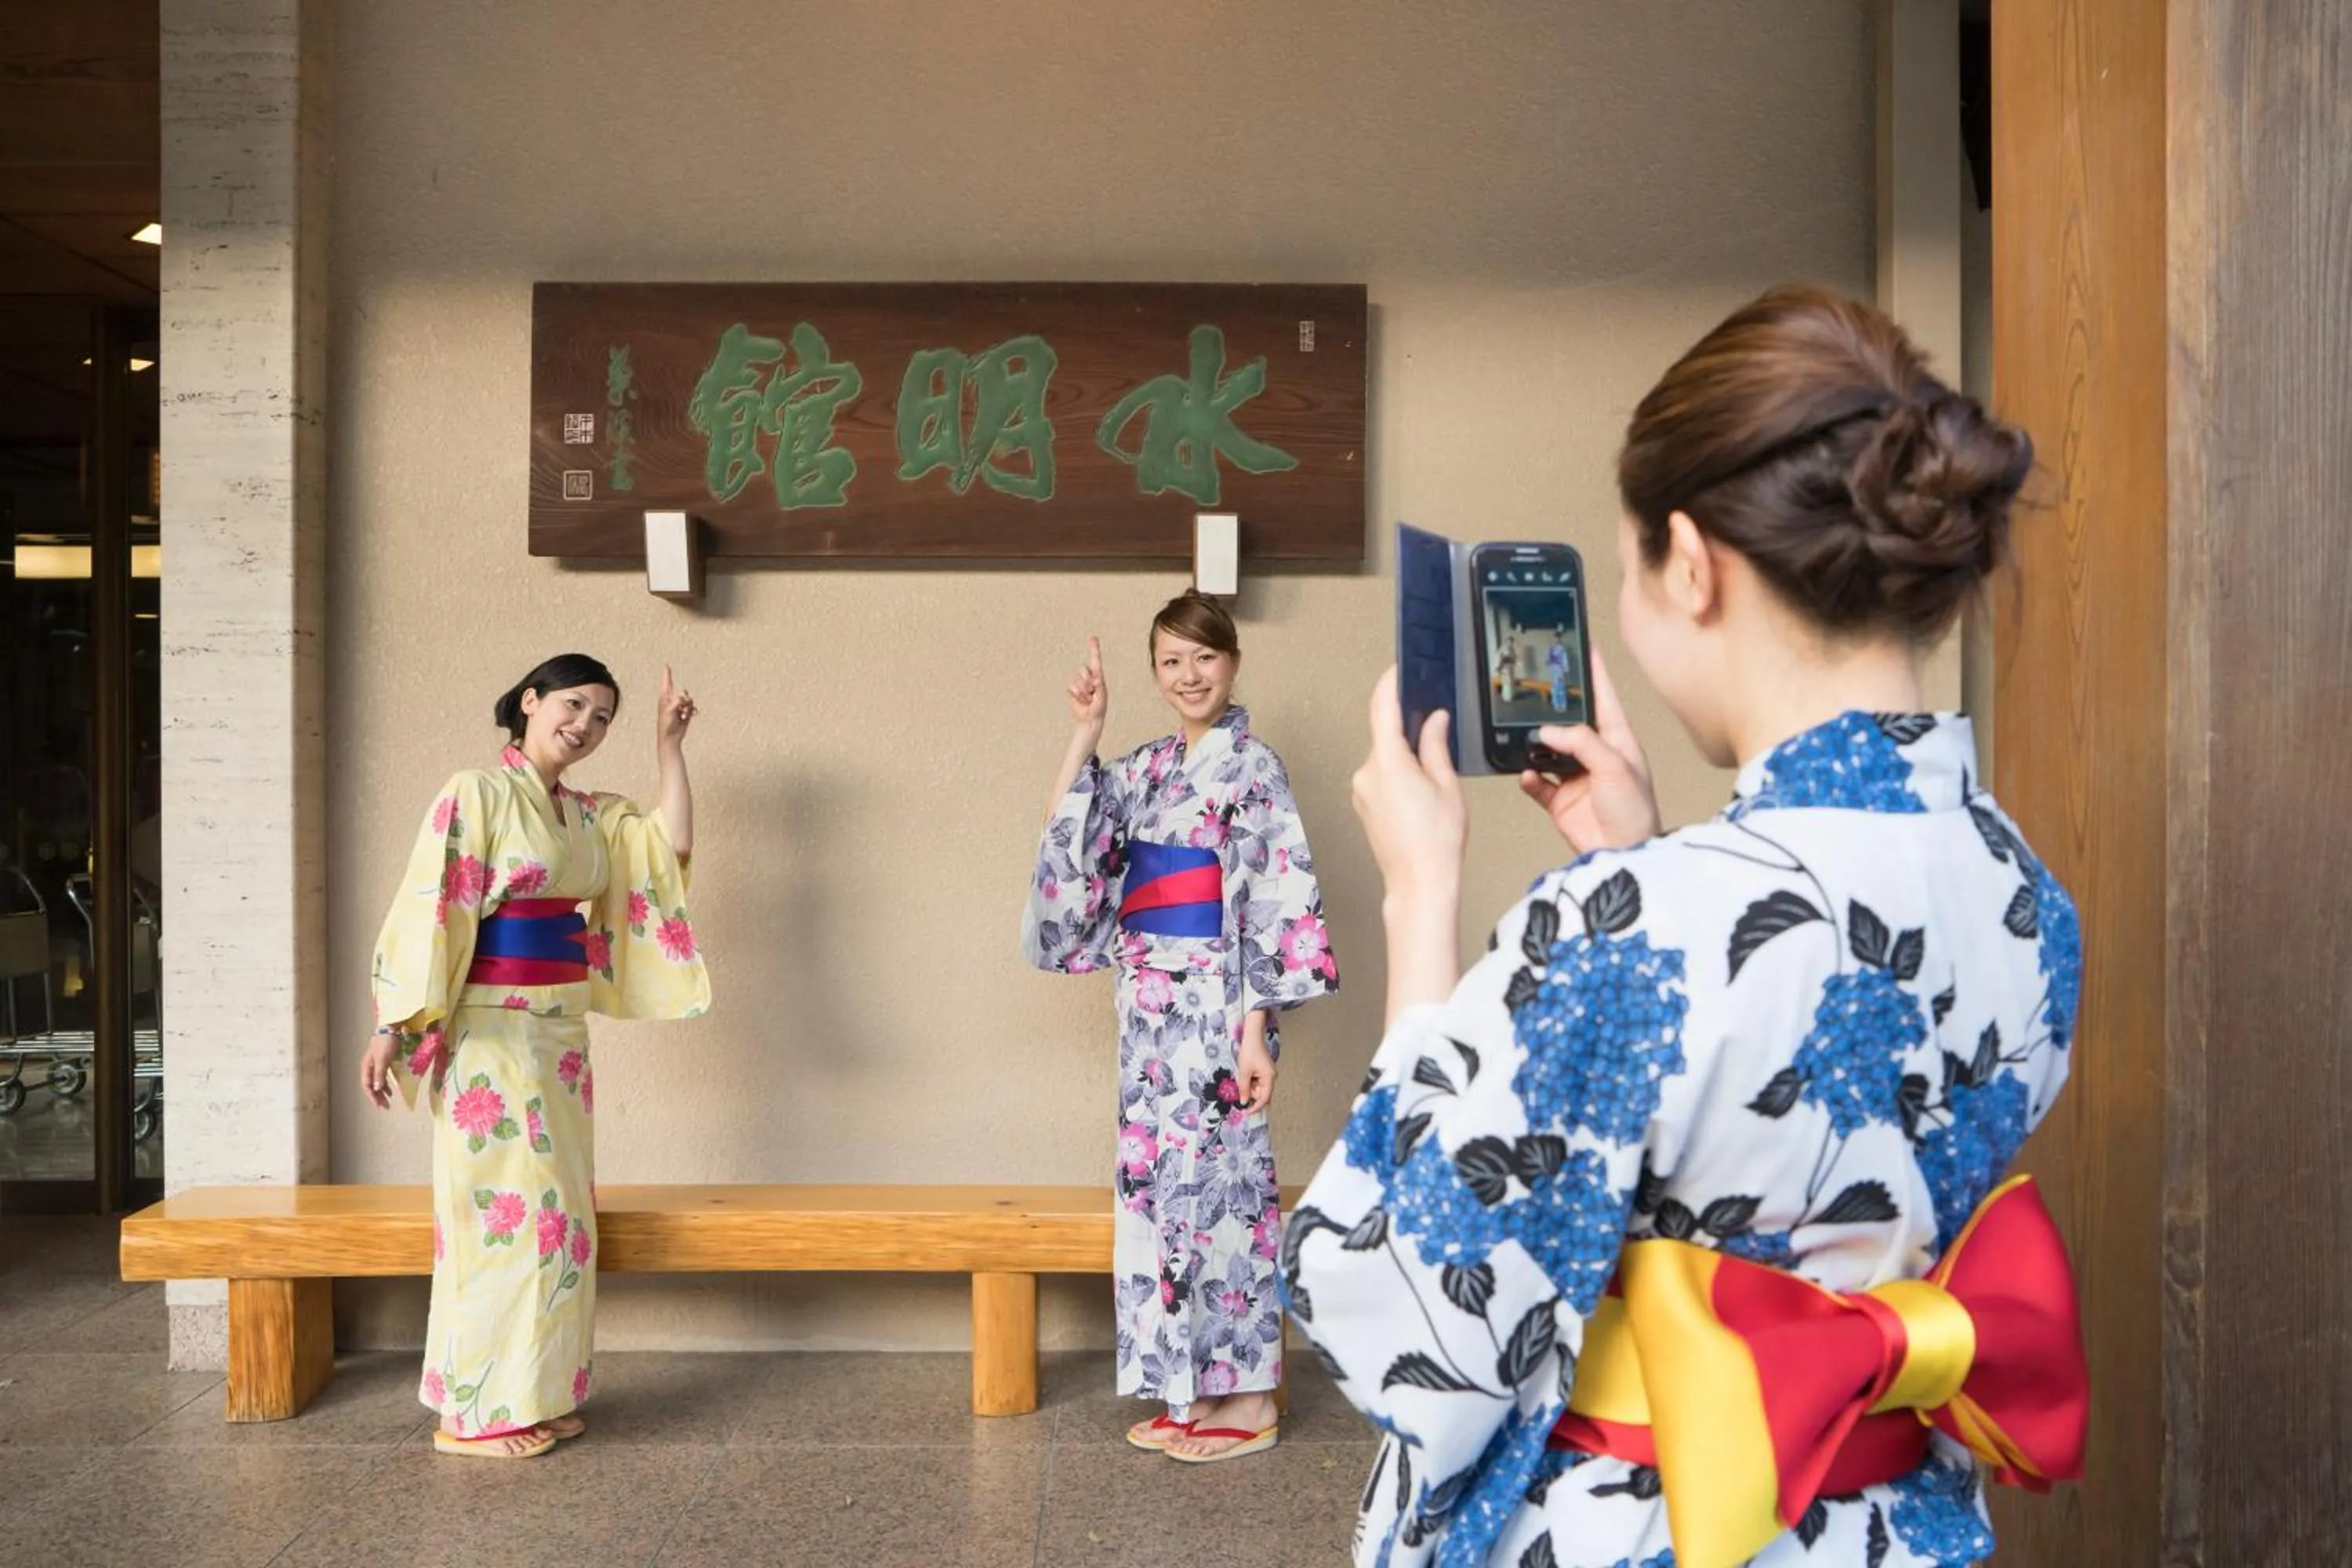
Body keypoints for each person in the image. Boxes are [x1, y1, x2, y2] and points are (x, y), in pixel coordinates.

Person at [1286, 285, 2085, 1566]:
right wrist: (1641, 861)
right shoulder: (2027, 896)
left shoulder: (1635, 926)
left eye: (1630, 570)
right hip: (1896, 1526)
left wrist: (1420, 895)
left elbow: (1396, 1302)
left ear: (1693, 562)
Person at [359, 653, 710, 1459]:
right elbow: (432, 910)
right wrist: (394, 1024)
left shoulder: (588, 815)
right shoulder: (474, 792)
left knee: (559, 1224)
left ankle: (529, 1394)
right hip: (490, 1034)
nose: (584, 724)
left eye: (602, 717)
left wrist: (668, 747)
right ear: (529, 701)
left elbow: (670, 849)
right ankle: (471, 1414)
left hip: (557, 1036)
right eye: (573, 704)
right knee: (503, 1220)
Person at [1024, 590, 1340, 1462]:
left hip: (1218, 1005)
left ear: (1231, 662)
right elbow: (1072, 828)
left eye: (1204, 656)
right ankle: (1189, 1388)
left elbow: (1277, 896)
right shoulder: (1150, 765)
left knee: (1224, 1196)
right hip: (1150, 1013)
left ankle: (1248, 1399)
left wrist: (1257, 1030)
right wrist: (1087, 730)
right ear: (1155, 673)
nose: (1188, 674)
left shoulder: (1255, 768)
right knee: (1159, 1199)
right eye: (1170, 660)